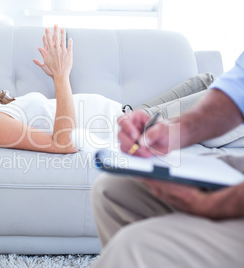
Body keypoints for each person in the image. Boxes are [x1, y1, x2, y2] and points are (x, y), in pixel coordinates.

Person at [0, 24, 214, 155]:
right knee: (223, 98)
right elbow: (63, 143)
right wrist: (61, 76)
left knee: (208, 79)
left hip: (131, 113)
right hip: (133, 130)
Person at [91, 52, 244, 267]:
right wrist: (173, 132)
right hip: (118, 115)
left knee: (134, 246)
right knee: (112, 188)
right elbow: (238, 90)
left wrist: (212, 204)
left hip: (118, 112)